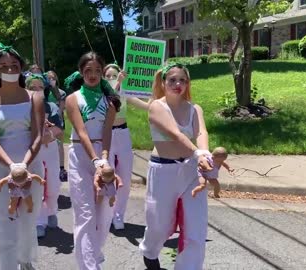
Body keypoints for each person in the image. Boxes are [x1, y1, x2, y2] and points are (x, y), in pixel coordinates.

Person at [139, 63, 212, 270]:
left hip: (190, 171)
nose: (177, 84)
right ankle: (150, 251)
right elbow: (176, 134)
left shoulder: (194, 108)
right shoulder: (156, 106)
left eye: (182, 80)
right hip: (163, 171)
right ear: (163, 83)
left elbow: (201, 133)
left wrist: (204, 153)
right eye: (172, 80)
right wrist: (197, 153)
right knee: (159, 225)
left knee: (195, 229)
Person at [0, 43, 45, 270]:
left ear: (21, 68)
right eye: (4, 66)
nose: (9, 70)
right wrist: (11, 166)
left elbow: (37, 136)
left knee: (28, 219)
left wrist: (24, 165)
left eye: (14, 66)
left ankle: (25, 260)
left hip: (31, 166)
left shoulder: (35, 97)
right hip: (0, 168)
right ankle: (6, 265)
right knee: (3, 222)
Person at [65, 52, 122, 270]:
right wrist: (96, 160)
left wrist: (105, 158)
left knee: (105, 212)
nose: (93, 75)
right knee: (85, 214)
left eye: (97, 71)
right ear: (81, 72)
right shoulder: (73, 99)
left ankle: (94, 254)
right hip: (81, 154)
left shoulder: (109, 101)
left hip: (103, 153)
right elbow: (81, 132)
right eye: (88, 70)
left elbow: (107, 131)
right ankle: (88, 266)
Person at [102, 63, 150, 230]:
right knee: (106, 176)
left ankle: (118, 215)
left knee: (125, 178)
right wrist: (117, 84)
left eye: (114, 75)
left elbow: (147, 105)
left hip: (122, 134)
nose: (111, 78)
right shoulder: (101, 93)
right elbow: (109, 99)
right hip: (106, 135)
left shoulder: (124, 92)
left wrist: (160, 96)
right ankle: (105, 214)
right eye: (107, 76)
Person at [25, 75, 64, 238]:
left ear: (45, 89)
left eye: (39, 87)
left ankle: (51, 210)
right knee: (37, 184)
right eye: (32, 88)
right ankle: (39, 221)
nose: (36, 91)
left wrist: (47, 133)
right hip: (32, 150)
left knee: (53, 186)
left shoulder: (51, 107)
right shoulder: (22, 108)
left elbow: (58, 129)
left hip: (50, 149)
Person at [46, 70, 68, 182]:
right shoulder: (44, 92)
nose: (51, 80)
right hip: (45, 122)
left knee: (59, 145)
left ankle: (61, 168)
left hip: (58, 121)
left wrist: (56, 121)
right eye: (48, 78)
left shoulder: (61, 93)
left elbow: (61, 108)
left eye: (53, 78)